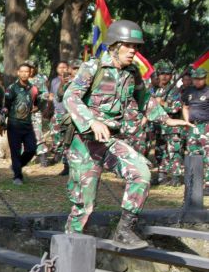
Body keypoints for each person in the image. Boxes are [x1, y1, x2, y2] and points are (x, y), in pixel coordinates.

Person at [63, 20, 193, 249]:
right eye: (128, 45)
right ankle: (68, 253)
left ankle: (124, 230)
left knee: (141, 172)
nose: (133, 51)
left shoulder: (132, 73)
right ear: (114, 46)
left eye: (136, 46)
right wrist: (91, 121)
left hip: (110, 140)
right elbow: (70, 97)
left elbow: (145, 100)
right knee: (84, 204)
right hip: (84, 143)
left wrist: (167, 119)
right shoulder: (93, 68)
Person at [1, 62, 44, 185]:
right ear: (18, 73)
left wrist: (37, 107)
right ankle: (17, 176)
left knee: (31, 149)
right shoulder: (12, 88)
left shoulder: (33, 88)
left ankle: (17, 165)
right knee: (15, 151)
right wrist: (3, 123)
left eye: (27, 71)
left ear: (30, 73)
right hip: (14, 125)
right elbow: (5, 107)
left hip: (27, 125)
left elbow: (39, 101)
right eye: (22, 71)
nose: (25, 74)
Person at [182, 67, 209, 195]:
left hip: (206, 127)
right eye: (196, 79)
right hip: (193, 127)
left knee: (207, 156)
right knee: (192, 154)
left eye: (201, 79)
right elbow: (185, 107)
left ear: (205, 78)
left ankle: (207, 184)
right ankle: (193, 183)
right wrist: (187, 121)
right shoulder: (189, 91)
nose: (198, 81)